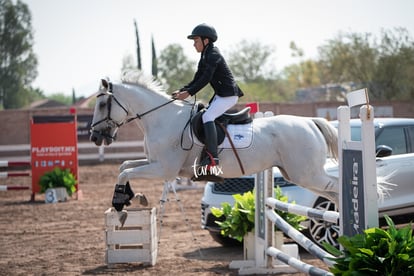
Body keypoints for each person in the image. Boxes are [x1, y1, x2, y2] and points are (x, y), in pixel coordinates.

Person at [172, 23, 244, 168]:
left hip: (229, 96)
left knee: (207, 117)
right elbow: (198, 77)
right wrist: (182, 90)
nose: (194, 45)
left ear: (206, 41)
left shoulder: (213, 55)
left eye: (196, 41)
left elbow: (205, 79)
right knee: (203, 114)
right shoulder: (205, 55)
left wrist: (189, 93)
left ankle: (213, 158)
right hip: (221, 95)